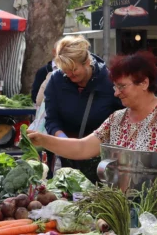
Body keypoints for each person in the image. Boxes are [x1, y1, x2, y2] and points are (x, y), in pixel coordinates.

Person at [29, 51, 157, 235]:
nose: (116, 93)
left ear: (144, 83)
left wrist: (150, 161)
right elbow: (82, 148)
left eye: (122, 86)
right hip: (131, 211)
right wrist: (44, 140)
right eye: (115, 87)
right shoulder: (117, 119)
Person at [43, 36, 121, 181]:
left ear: (86, 62)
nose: (69, 75)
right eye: (65, 71)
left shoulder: (108, 81)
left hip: (101, 159)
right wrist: (62, 139)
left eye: (73, 70)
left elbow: (123, 117)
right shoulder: (57, 80)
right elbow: (51, 119)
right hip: (67, 157)